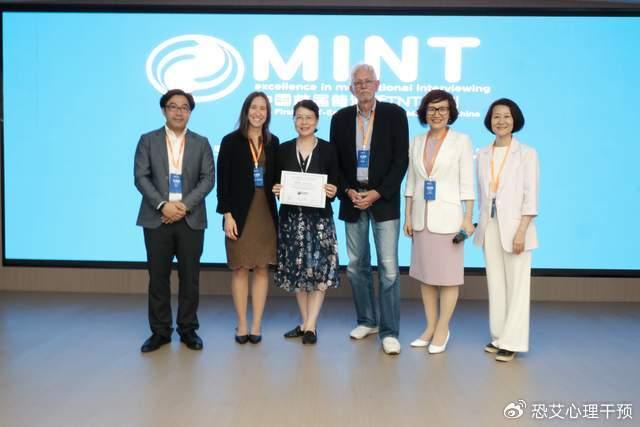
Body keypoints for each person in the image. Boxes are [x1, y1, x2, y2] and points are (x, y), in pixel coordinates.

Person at [330, 64, 409, 355]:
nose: (363, 86)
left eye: (368, 81)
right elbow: (335, 162)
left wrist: (377, 193)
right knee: (356, 266)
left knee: (388, 268)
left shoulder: (394, 114)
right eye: (358, 82)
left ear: (377, 85)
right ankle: (367, 321)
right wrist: (348, 190)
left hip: (383, 201)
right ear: (351, 88)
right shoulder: (340, 118)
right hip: (352, 200)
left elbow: (400, 161)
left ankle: (389, 332)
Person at [135, 89, 214, 353]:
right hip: (157, 218)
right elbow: (141, 177)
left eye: (184, 107)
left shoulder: (202, 143)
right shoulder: (148, 140)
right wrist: (163, 205)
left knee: (190, 278)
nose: (179, 112)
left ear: (190, 112)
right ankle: (160, 332)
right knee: (158, 277)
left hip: (190, 219)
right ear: (163, 110)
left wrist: (183, 206)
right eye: (173, 106)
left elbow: (207, 179)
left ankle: (188, 330)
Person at [404, 89, 475, 354]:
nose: (437, 114)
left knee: (448, 278)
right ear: (424, 112)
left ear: (451, 112)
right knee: (426, 277)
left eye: (442, 109)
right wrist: (408, 215)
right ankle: (430, 327)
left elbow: (467, 183)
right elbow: (411, 182)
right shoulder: (417, 141)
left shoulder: (461, 141)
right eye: (432, 109)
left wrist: (468, 218)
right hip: (421, 218)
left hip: (449, 219)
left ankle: (443, 329)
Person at [473, 98, 539, 362]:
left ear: (515, 120)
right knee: (496, 283)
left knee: (517, 286)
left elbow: (531, 196)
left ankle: (513, 341)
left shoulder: (527, 153)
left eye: (506, 116)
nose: (501, 121)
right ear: (490, 120)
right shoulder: (483, 154)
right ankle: (499, 336)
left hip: (516, 227)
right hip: (490, 225)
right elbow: (483, 195)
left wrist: (522, 231)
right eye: (496, 116)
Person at [272, 100, 340, 345]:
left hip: (319, 220)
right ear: (293, 120)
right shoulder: (283, 149)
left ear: (317, 121)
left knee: (319, 271)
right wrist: (277, 189)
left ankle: (311, 324)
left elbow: (336, 183)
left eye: (309, 117)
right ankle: (306, 323)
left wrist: (334, 189)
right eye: (299, 117)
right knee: (297, 271)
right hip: (291, 220)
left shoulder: (329, 149)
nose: (304, 122)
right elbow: (276, 183)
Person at [216, 92, 279, 345]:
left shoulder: (273, 142)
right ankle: (242, 323)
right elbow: (223, 183)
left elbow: (277, 178)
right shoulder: (231, 141)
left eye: (263, 108)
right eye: (254, 107)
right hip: (239, 216)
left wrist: (283, 187)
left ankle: (256, 324)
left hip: (265, 214)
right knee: (240, 268)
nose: (258, 113)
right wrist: (227, 215)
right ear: (246, 110)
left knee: (262, 268)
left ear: (268, 113)